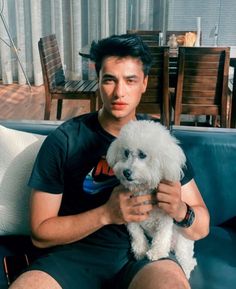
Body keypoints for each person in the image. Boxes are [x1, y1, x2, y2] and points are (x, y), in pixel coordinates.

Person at [9, 34, 210, 289]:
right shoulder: (65, 140)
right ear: (98, 82)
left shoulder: (159, 143)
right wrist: (106, 214)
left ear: (144, 83)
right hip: (73, 257)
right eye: (109, 80)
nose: (119, 92)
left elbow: (202, 226)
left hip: (143, 257)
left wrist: (181, 210)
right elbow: (40, 232)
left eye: (130, 80)